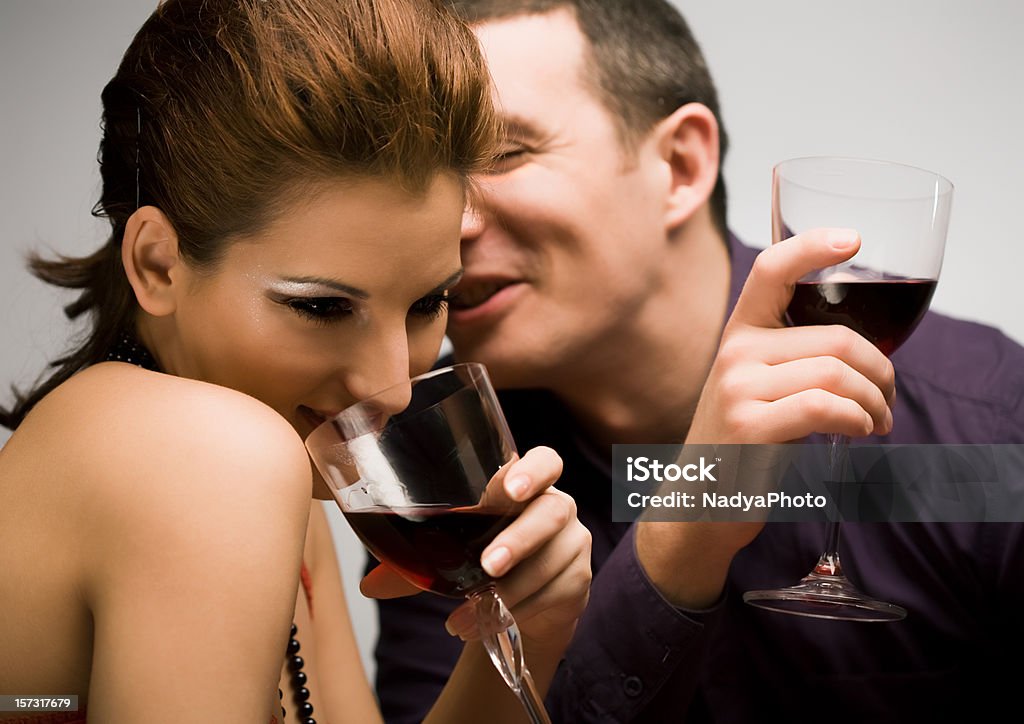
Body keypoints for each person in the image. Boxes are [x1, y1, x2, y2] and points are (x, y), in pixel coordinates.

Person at [371, 1, 1024, 721]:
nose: (452, 220)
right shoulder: (442, 472)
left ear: (680, 166)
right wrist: (683, 532)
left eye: (501, 153)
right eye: (425, 172)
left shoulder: (985, 430)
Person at [0, 1, 593, 722]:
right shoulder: (217, 454)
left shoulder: (270, 449)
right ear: (157, 264)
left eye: (429, 302)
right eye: (321, 308)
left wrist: (535, 622)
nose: (393, 388)